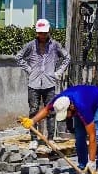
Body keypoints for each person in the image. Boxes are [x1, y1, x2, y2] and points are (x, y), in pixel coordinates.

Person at [20, 84, 98, 174]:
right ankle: (82, 167)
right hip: (83, 99)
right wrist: (32, 121)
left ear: (71, 107)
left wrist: (92, 161)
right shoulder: (58, 101)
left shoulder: (82, 107)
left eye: (67, 114)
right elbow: (46, 110)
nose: (67, 117)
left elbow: (92, 137)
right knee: (79, 137)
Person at [15, 19, 70, 147]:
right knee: (33, 111)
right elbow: (18, 57)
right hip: (33, 84)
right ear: (37, 33)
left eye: (44, 33)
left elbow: (67, 57)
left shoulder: (55, 45)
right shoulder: (30, 45)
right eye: (40, 33)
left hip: (49, 83)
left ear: (48, 32)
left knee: (50, 111)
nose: (42, 35)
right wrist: (30, 70)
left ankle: (50, 138)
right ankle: (34, 138)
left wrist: (59, 72)